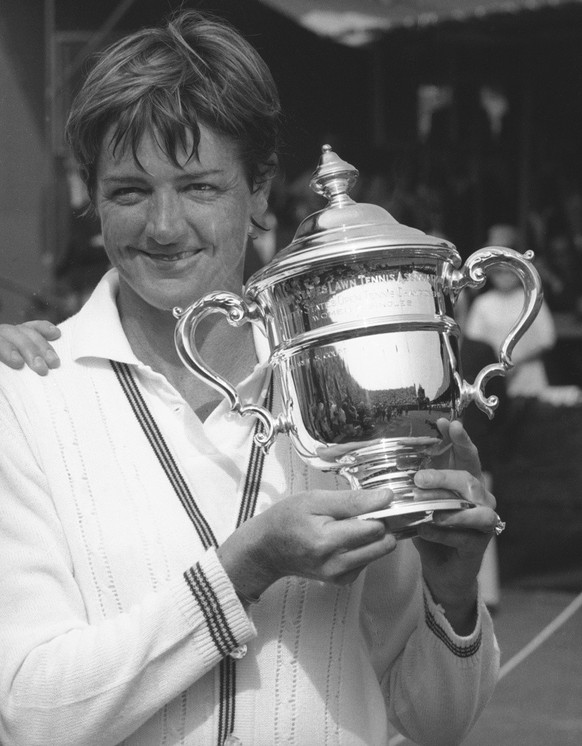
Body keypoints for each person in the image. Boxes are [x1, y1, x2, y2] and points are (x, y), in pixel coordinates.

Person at [0, 11, 501, 746]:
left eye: (200, 186)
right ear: (92, 198)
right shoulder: (27, 394)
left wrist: (452, 593)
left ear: (260, 190)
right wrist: (241, 570)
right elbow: (30, 711)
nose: (165, 226)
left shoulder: (356, 391)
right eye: (130, 191)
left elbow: (435, 723)